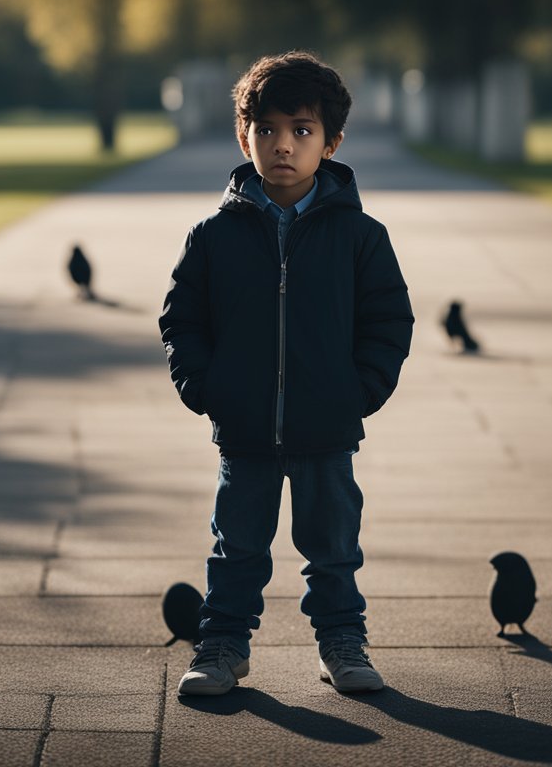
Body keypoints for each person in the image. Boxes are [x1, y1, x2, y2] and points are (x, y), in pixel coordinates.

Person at [159, 51, 414, 696]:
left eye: (302, 131)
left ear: (331, 143)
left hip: (326, 425)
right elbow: (181, 317)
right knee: (237, 544)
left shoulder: (361, 237)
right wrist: (204, 386)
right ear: (244, 137)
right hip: (242, 424)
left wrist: (357, 392)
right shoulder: (214, 235)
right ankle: (221, 647)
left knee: (332, 545)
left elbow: (389, 321)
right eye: (267, 130)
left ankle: (342, 643)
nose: (283, 145)